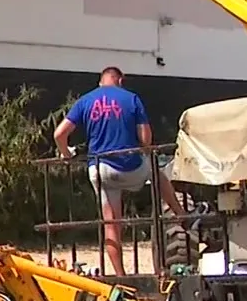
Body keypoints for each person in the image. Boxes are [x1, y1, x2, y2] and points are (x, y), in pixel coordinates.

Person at [53, 66, 186, 276]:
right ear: (120, 81)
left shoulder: (85, 101)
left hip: (100, 168)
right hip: (130, 167)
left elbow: (59, 134)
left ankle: (121, 276)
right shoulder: (131, 99)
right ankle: (181, 215)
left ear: (100, 82)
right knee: (155, 170)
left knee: (111, 224)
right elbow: (145, 140)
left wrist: (67, 155)